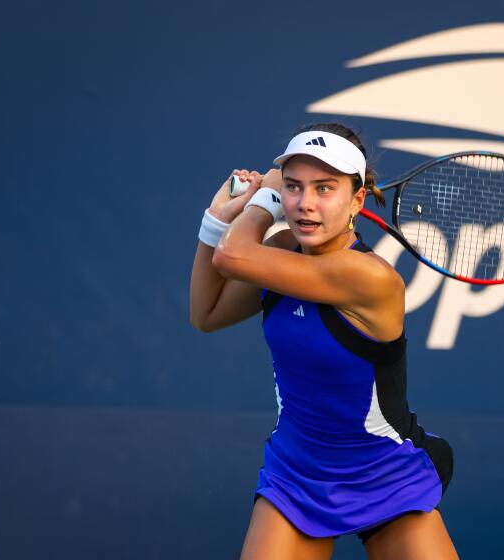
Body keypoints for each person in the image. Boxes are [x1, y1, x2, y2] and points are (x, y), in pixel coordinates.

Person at [189, 123, 457, 559]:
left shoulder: (370, 278)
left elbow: (233, 256)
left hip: (384, 476)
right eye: (294, 187)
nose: (304, 204)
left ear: (356, 199)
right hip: (296, 476)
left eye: (324, 188)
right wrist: (217, 219)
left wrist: (266, 196)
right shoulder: (278, 251)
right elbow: (206, 314)